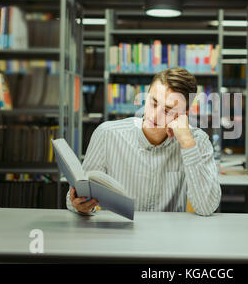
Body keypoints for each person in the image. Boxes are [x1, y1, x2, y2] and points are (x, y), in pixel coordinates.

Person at [67, 67, 221, 216]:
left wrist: (187, 143)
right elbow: (75, 196)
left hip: (171, 238)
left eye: (168, 110)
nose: (154, 116)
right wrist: (79, 205)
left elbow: (206, 207)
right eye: (153, 103)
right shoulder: (107, 134)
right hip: (116, 236)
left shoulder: (197, 142)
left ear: (184, 114)